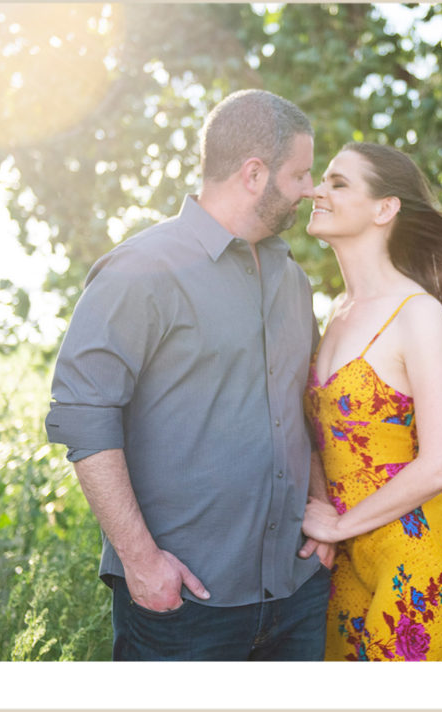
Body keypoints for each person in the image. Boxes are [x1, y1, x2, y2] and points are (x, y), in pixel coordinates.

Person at [44, 89, 334, 661]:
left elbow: (306, 406)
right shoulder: (139, 271)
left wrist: (321, 510)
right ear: (255, 174)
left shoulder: (292, 279)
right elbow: (83, 418)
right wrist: (140, 560)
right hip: (184, 605)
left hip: (297, 592)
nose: (311, 189)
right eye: (300, 174)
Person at [300, 142, 442, 661]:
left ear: (385, 208)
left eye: (338, 182)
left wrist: (336, 524)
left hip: (409, 549)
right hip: (347, 557)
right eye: (321, 180)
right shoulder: (336, 309)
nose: (316, 190)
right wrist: (326, 514)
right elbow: (318, 436)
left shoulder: (416, 312)